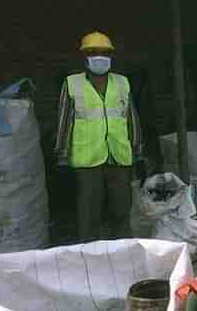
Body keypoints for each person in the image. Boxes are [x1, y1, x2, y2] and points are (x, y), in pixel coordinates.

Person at [54, 31, 144, 242]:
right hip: (87, 160)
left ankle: (122, 252)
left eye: (104, 52)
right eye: (93, 52)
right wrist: (62, 155)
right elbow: (64, 121)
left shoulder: (122, 83)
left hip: (119, 157)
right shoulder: (72, 83)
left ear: (111, 56)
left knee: (122, 212)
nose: (99, 57)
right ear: (85, 57)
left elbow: (132, 118)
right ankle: (90, 257)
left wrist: (138, 150)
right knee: (88, 214)